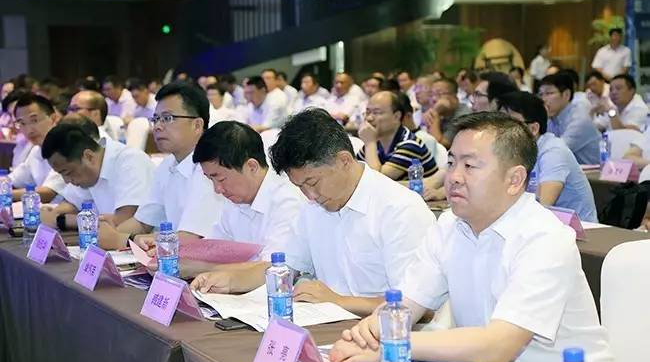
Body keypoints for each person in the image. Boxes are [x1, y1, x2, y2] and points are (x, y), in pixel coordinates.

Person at [330, 112, 617, 362]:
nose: (454, 177)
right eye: (452, 162)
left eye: (469, 166)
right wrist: (369, 332)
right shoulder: (448, 225)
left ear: (514, 179)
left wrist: (393, 344)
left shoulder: (545, 238)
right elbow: (404, 305)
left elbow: (499, 346)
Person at [192, 108, 436, 316]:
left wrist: (338, 301)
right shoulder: (314, 208)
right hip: (328, 325)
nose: (309, 195)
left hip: (388, 339)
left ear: (344, 161)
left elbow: (419, 308)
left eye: (312, 182)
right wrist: (230, 280)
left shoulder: (399, 209)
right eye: (300, 186)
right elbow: (282, 268)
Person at [97, 82, 224, 250]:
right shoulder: (168, 164)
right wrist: (108, 235)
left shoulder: (210, 169)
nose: (157, 126)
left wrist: (124, 240)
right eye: (155, 119)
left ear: (197, 125)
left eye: (167, 118)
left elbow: (190, 239)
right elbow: (143, 222)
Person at [187, 121, 305, 283]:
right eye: (210, 180)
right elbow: (215, 251)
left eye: (221, 179)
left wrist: (198, 268)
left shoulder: (287, 201)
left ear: (252, 166)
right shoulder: (233, 200)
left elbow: (274, 271)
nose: (217, 189)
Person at [498, 91, 597, 222]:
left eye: (510, 124)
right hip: (541, 225)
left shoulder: (553, 151)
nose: (501, 131)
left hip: (581, 230)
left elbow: (544, 204)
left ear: (533, 129)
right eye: (500, 123)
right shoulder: (511, 152)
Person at [40, 122, 154, 230]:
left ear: (88, 156)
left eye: (68, 173)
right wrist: (55, 215)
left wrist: (63, 221)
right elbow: (70, 205)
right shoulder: (90, 170)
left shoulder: (131, 162)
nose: (66, 180)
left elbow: (123, 223)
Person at [356, 91, 437, 180]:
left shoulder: (410, 144)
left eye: (376, 112)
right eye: (367, 112)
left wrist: (370, 143)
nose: (369, 118)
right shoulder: (375, 144)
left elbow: (378, 180)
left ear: (396, 116)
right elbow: (353, 173)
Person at [9, 93, 65, 203]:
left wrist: (5, 193)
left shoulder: (65, 146)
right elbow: (12, 180)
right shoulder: (36, 150)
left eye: (34, 121)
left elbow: (48, 193)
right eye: (22, 123)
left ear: (53, 118)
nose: (29, 130)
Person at [539, 73, 600, 165]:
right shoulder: (551, 117)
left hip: (594, 172)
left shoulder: (580, 119)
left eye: (549, 93)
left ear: (566, 94)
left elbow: (557, 151)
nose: (543, 99)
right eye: (541, 94)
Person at [421, 78, 472, 148]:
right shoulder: (442, 111)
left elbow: (440, 145)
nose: (434, 98)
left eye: (439, 94)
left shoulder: (463, 115)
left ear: (454, 95)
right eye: (432, 94)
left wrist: (435, 114)